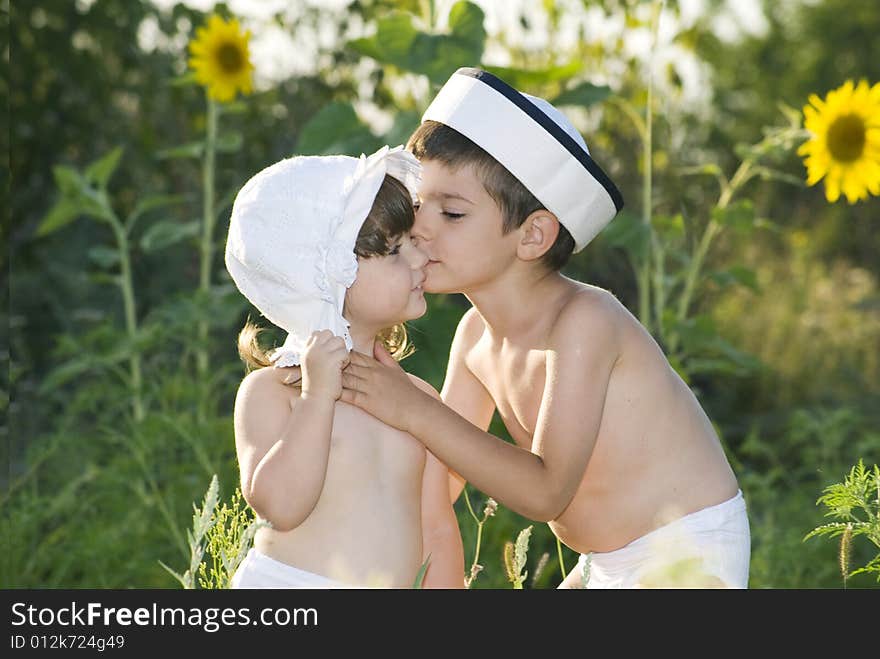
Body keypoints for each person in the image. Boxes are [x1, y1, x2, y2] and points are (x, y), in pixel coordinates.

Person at [340, 68, 751, 588]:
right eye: (419, 204)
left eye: (453, 212)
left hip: (684, 552)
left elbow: (545, 492)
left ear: (533, 235)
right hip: (604, 562)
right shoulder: (474, 338)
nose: (419, 225)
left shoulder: (586, 322)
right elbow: (440, 478)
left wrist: (411, 407)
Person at [224, 145, 465, 588]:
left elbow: (437, 530)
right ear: (325, 279)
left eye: (413, 241)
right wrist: (318, 397)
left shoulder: (417, 402)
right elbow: (279, 506)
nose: (419, 259)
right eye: (394, 250)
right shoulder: (274, 393)